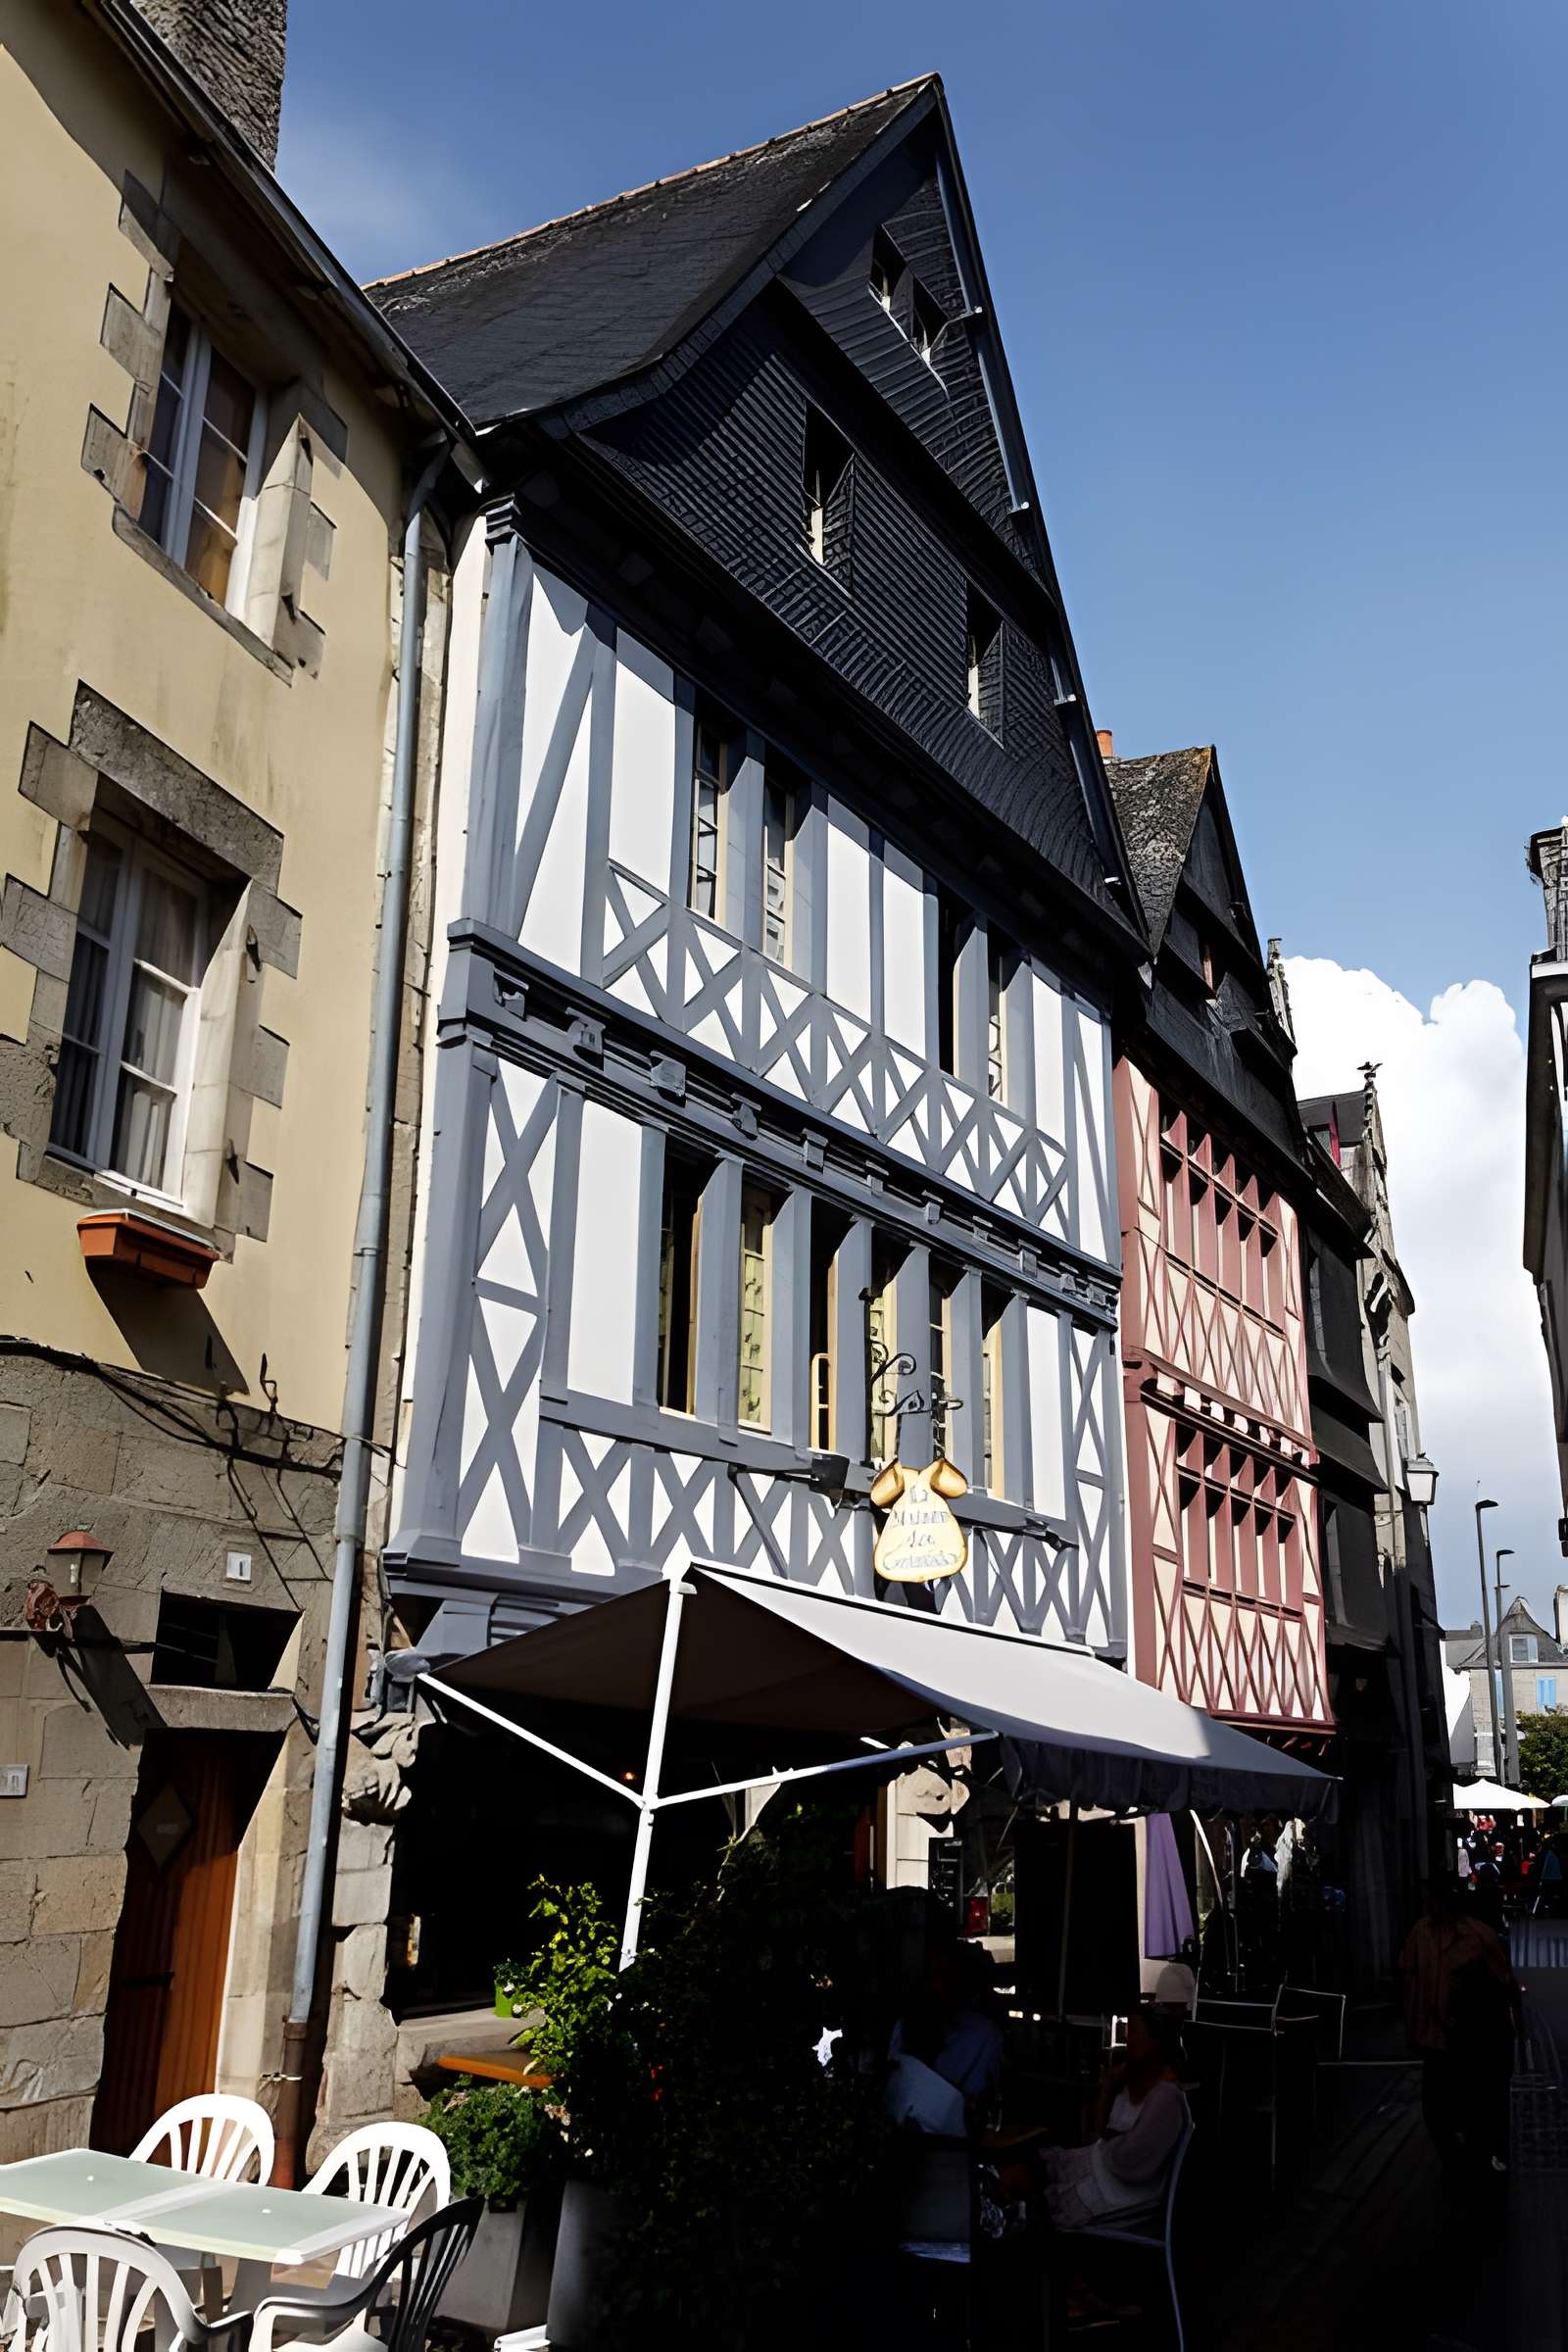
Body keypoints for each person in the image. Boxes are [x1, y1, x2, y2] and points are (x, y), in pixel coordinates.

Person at [1399, 1877, 1520, 2178]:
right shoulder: (1422, 1933)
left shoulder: (1477, 1938)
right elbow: (1408, 1976)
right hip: (1439, 2035)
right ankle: (1462, 2162)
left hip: (1475, 2037)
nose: (1428, 1907)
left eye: (1432, 1900)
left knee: (1477, 2104)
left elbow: (1505, 1984)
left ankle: (1479, 2162)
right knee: (1438, 2109)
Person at [1039, 2010, 1189, 2229]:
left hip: (1124, 2193)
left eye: (1135, 2032)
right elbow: (1098, 2137)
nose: (1128, 2039)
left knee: (1032, 2185)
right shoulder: (1126, 2090)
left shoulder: (1166, 2097)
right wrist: (1107, 2088)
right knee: (1034, 2171)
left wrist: (1111, 2139)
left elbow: (1129, 2159)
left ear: (1154, 2040)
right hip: (1107, 2174)